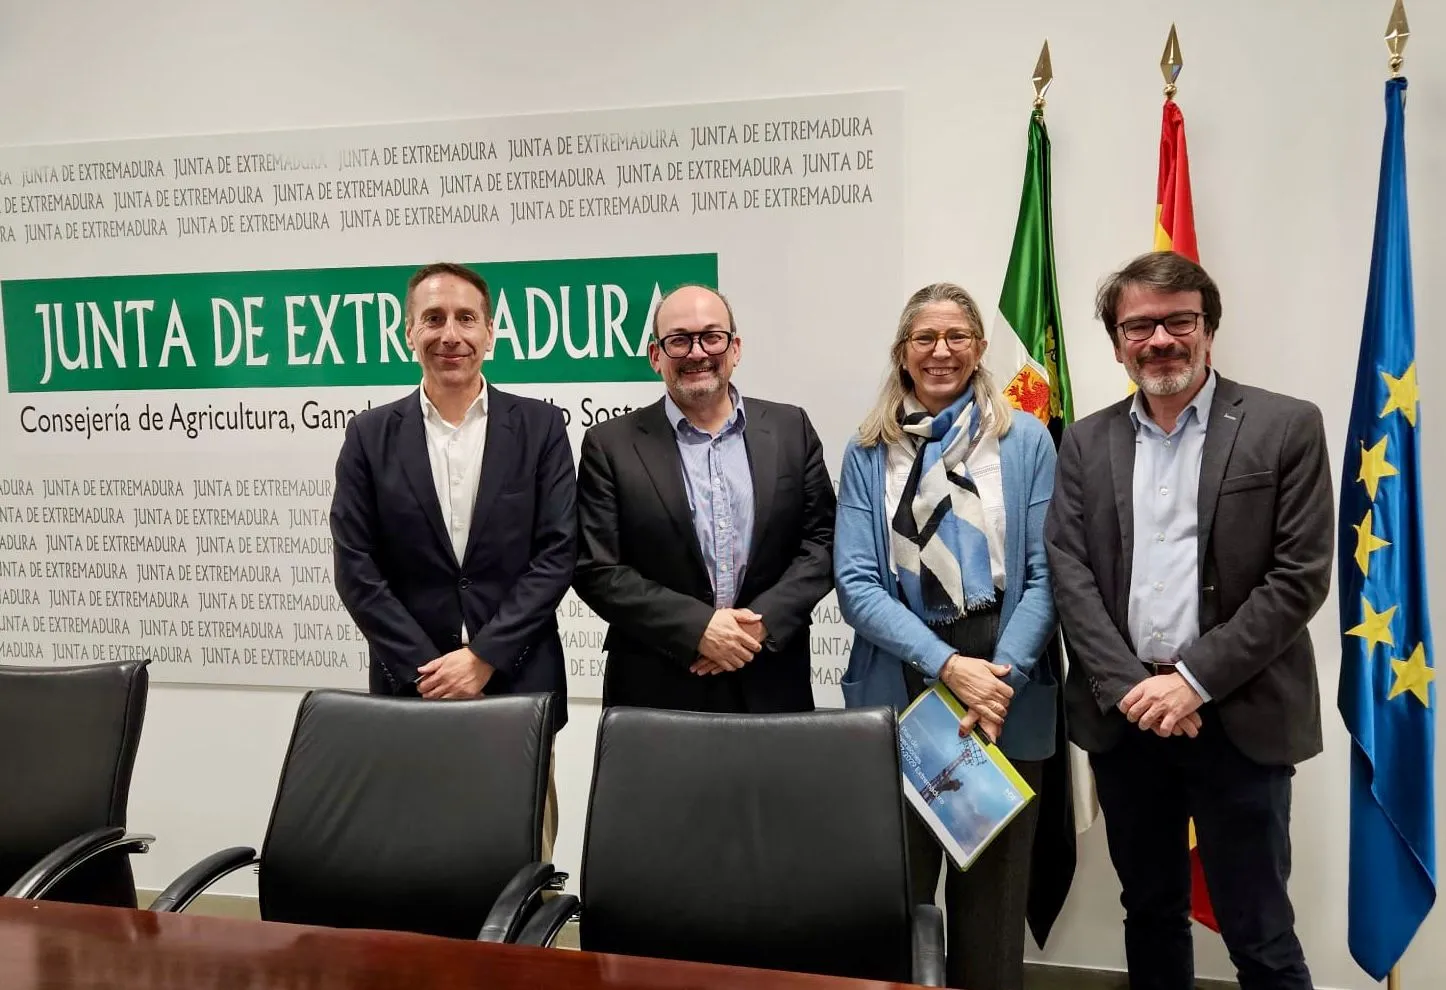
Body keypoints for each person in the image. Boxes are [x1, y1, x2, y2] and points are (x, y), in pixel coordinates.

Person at [1045, 251, 1332, 990]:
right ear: (1116, 343)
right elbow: (1070, 571)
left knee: (1259, 931)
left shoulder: (1285, 425)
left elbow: (1298, 578)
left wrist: (1191, 683)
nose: (1160, 340)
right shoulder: (1085, 440)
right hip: (1127, 720)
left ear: (1208, 330)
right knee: (1148, 912)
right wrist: (1133, 689)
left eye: (1179, 321)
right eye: (1139, 325)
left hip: (1238, 717)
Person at [835, 282, 1058, 990]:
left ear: (981, 348)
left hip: (1006, 685)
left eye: (957, 336)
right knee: (894, 898)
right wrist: (949, 665)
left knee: (991, 908)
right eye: (925, 339)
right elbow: (858, 584)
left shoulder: (1024, 441)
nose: (941, 352)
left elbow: (1046, 575)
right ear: (902, 352)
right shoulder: (870, 448)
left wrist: (999, 678)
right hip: (900, 679)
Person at [329, 261, 577, 853]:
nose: (451, 334)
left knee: (523, 861)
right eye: (433, 319)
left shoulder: (540, 427)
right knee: (418, 860)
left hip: (518, 684)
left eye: (467, 318)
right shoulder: (368, 436)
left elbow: (558, 552)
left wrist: (484, 657)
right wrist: (431, 671)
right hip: (411, 690)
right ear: (407, 333)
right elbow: (357, 569)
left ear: (490, 332)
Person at [572, 284, 835, 713]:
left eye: (712, 336)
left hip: (770, 675)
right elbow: (596, 568)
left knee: (773, 785)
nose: (697, 352)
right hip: (656, 686)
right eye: (678, 339)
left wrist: (758, 626)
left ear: (735, 348)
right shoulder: (610, 445)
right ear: (656, 356)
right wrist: (699, 628)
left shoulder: (792, 429)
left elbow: (822, 542)